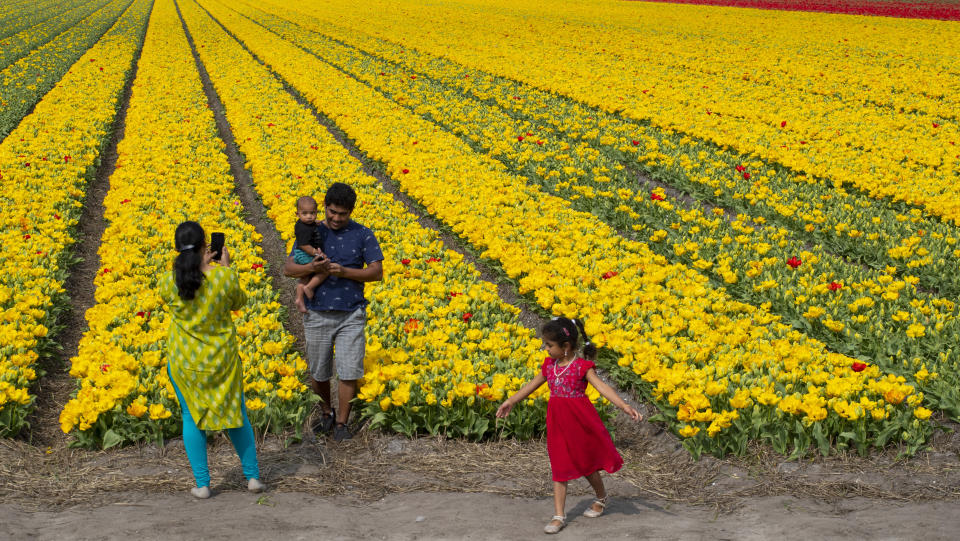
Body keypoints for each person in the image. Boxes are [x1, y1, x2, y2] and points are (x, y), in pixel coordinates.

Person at [496, 317, 641, 534]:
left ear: (566, 347)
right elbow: (531, 386)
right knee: (559, 465)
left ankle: (601, 497)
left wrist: (624, 406)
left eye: (549, 345)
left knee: (588, 465)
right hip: (557, 423)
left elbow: (602, 388)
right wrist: (511, 401)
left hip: (581, 423)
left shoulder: (582, 367)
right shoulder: (549, 367)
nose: (545, 349)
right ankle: (558, 515)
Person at [159, 221, 265, 499]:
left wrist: (198, 265)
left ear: (176, 248)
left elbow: (182, 288)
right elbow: (239, 301)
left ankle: (203, 484)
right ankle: (252, 478)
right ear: (208, 245)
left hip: (185, 360)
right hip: (222, 359)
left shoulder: (169, 281)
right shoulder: (223, 277)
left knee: (191, 417)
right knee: (237, 415)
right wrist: (225, 268)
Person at [284, 183, 383, 441]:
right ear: (324, 207)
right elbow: (289, 268)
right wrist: (313, 268)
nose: (336, 218)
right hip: (317, 311)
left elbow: (376, 272)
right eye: (332, 212)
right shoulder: (311, 231)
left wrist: (344, 272)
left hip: (351, 312)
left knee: (349, 369)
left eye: (343, 214)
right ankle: (326, 413)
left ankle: (342, 423)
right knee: (319, 370)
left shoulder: (363, 234)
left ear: (351, 212)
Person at [292, 196, 329, 314]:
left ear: (316, 212)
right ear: (297, 214)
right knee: (324, 270)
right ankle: (308, 287)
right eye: (305, 213)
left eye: (312, 213)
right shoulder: (302, 228)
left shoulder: (307, 223)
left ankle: (299, 299)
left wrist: (316, 222)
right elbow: (303, 245)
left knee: (304, 277)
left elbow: (312, 224)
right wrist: (316, 253)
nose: (309, 217)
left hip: (304, 253)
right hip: (304, 253)